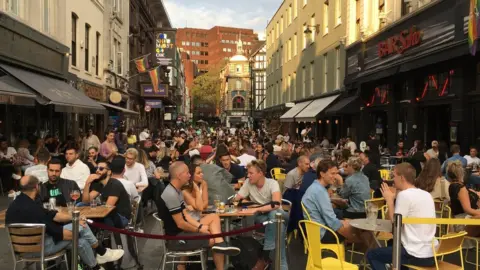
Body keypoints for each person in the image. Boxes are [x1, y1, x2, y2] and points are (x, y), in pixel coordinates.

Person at [7, 175, 124, 269]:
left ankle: (96, 267)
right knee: (81, 230)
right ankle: (101, 252)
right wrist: (77, 228)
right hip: (40, 249)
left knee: (81, 241)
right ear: (36, 187)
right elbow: (60, 233)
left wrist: (74, 218)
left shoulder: (16, 204)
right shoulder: (34, 209)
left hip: (20, 250)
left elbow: (52, 215)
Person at [156, 161, 240, 270]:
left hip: (183, 232)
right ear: (179, 175)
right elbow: (181, 223)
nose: (189, 175)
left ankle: (221, 244)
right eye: (187, 173)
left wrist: (199, 227)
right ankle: (220, 247)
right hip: (176, 239)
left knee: (214, 219)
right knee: (213, 239)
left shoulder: (176, 190)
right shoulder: (171, 194)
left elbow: (186, 216)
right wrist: (199, 230)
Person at [366, 163, 437, 270]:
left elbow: (395, 227)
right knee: (392, 243)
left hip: (416, 253)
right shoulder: (426, 194)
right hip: (432, 252)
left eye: (394, 176)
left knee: (372, 255)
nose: (392, 179)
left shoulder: (405, 195)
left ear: (402, 177)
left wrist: (389, 201)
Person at [234, 160, 288, 270]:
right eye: (247, 173)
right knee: (279, 228)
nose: (248, 176)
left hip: (278, 215)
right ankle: (278, 263)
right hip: (263, 217)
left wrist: (257, 208)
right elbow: (236, 199)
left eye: (251, 173)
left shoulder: (272, 183)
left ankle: (265, 255)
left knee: (275, 214)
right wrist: (244, 200)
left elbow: (277, 204)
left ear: (261, 173)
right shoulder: (248, 183)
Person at [82, 160, 132, 228]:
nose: (97, 171)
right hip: (108, 214)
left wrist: (91, 211)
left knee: (92, 220)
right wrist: (87, 183)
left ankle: (105, 236)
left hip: (120, 217)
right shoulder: (99, 184)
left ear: (109, 172)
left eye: (101, 169)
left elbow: (107, 208)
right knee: (81, 206)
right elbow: (85, 201)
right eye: (96, 168)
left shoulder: (115, 184)